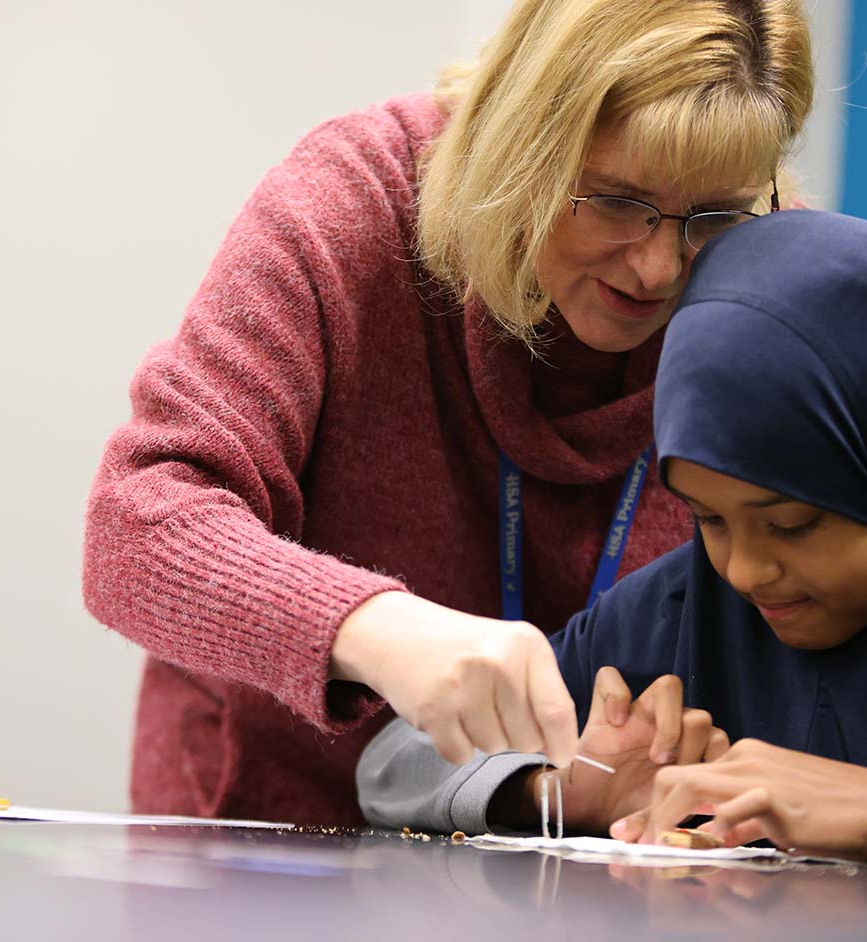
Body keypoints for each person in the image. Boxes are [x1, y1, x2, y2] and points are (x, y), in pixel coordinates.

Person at [81, 0, 815, 826]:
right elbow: (135, 526)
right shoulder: (357, 203)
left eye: (711, 217)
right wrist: (381, 631)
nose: (656, 267)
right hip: (274, 830)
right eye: (614, 200)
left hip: (579, 848)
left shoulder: (780, 279)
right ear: (525, 138)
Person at [358, 211, 867, 883]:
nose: (745, 570)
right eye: (708, 520)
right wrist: (568, 790)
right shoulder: (676, 617)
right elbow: (394, 766)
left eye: (791, 524)